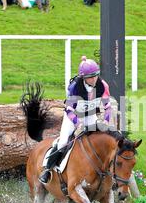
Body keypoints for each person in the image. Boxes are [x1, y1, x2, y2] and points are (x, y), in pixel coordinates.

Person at [38, 56, 113, 185]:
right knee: (63, 142)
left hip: (90, 115)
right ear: (84, 78)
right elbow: (69, 110)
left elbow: (108, 107)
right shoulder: (75, 88)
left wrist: (106, 121)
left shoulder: (103, 85)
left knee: (100, 140)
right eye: (90, 77)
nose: (94, 79)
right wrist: (78, 125)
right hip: (73, 117)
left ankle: (107, 172)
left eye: (96, 75)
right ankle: (47, 169)